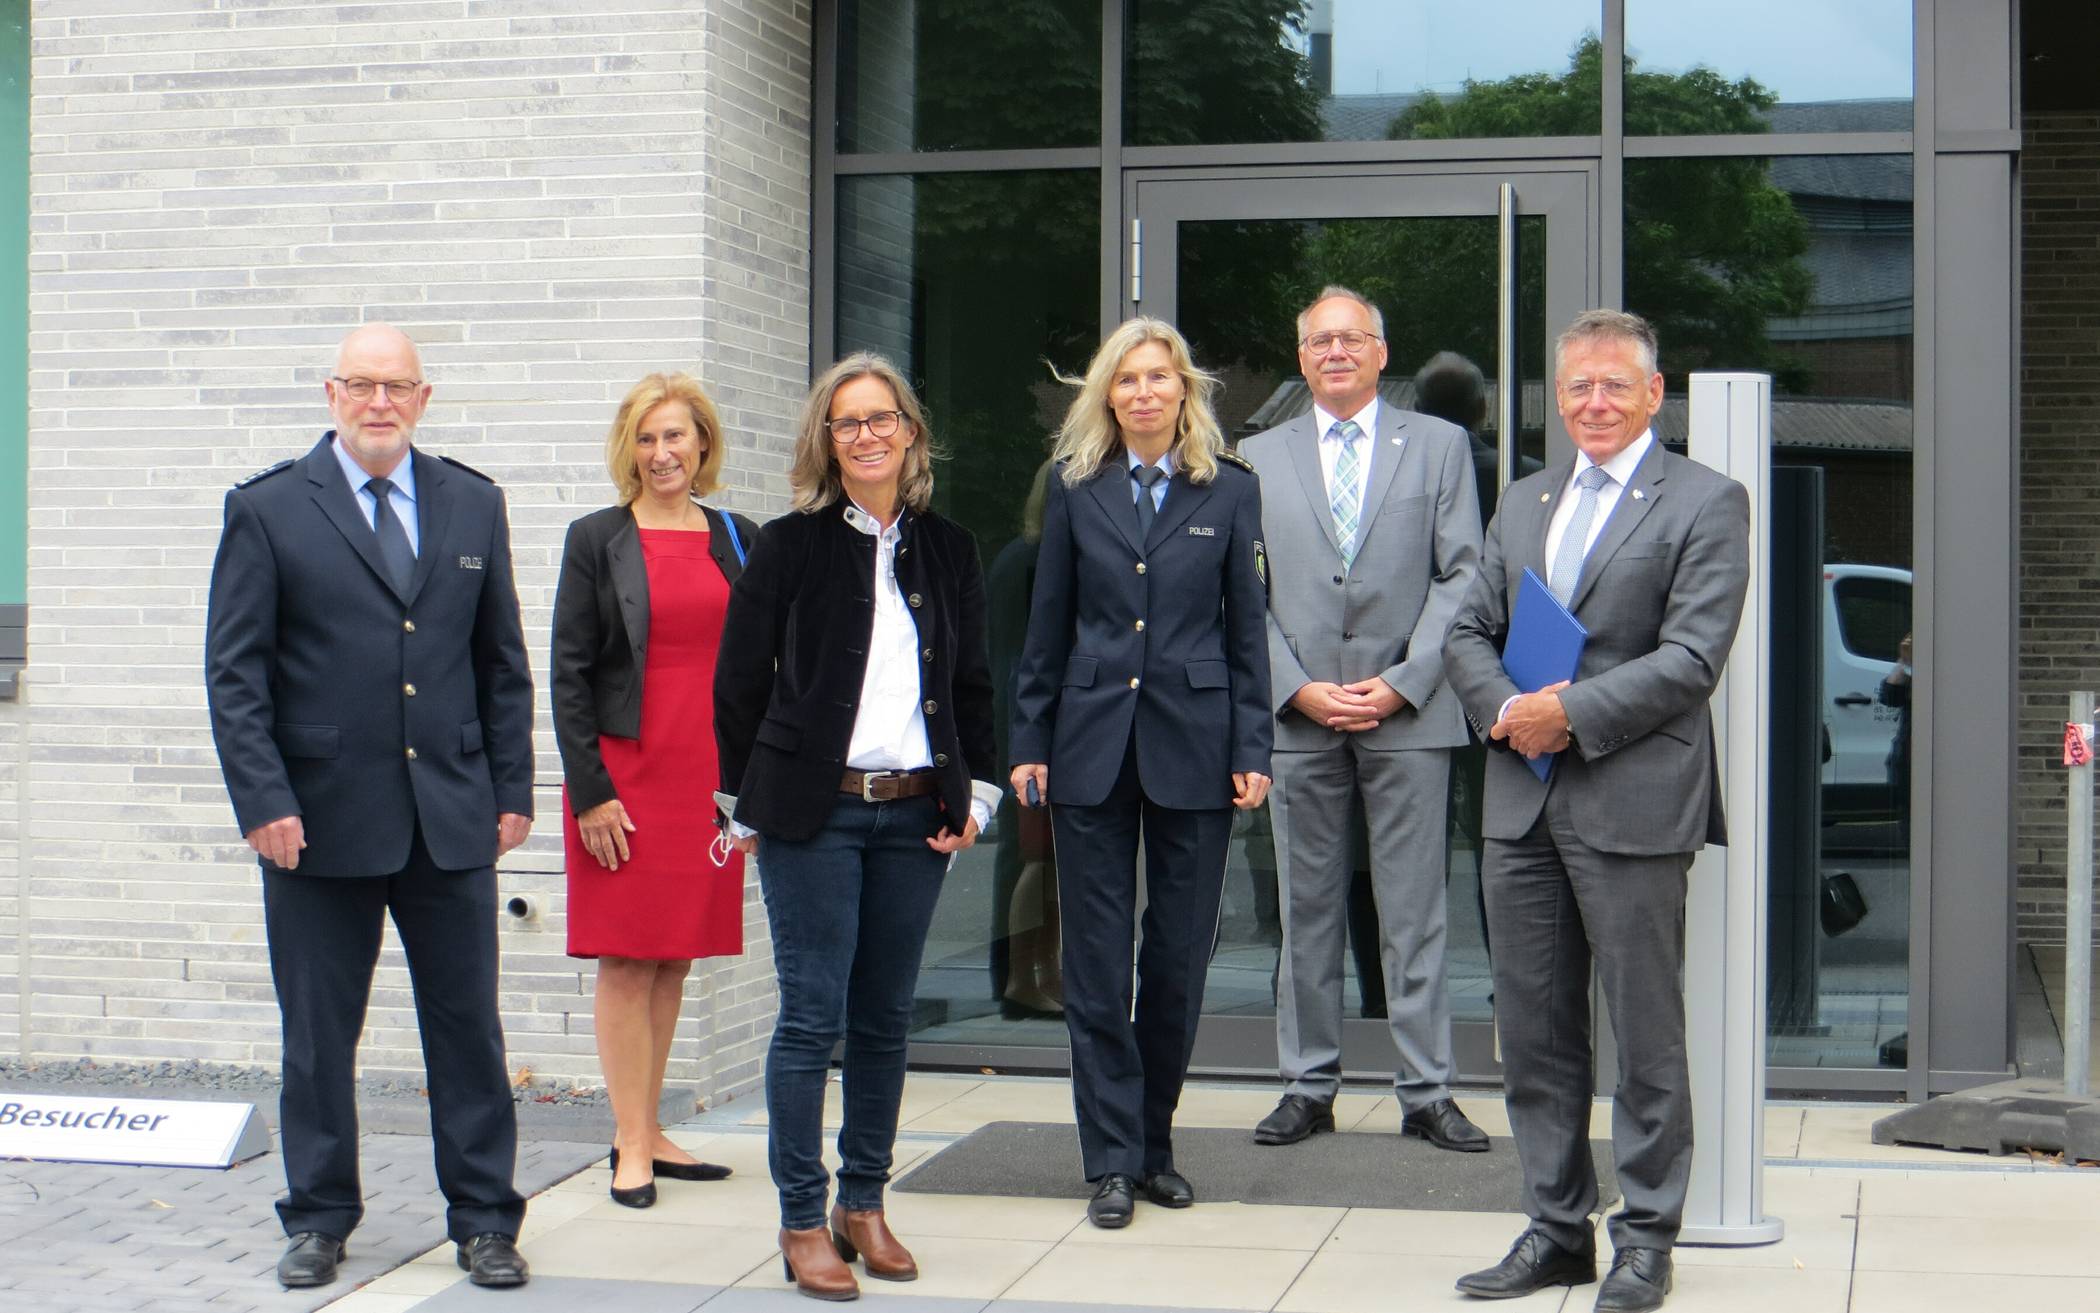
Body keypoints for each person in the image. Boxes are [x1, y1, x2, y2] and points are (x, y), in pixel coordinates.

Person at [205, 324, 535, 1291]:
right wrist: (263, 799)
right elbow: (236, 676)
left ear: (424, 398)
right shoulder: (268, 509)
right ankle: (317, 1215)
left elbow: (501, 665)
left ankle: (484, 1218)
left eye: (397, 385)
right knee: (317, 1034)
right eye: (361, 384)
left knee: (468, 1028)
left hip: (451, 816)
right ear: (331, 392)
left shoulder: (473, 503)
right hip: (315, 821)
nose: (379, 401)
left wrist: (511, 788)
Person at [1444, 310, 1750, 1312]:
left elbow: (1692, 657)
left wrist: (1564, 714)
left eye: (1616, 385)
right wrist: (1507, 711)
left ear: (1655, 394)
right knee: (1533, 1031)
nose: (1595, 403)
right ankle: (1556, 1226)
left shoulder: (1706, 500)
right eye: (1578, 387)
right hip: (1520, 803)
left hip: (1632, 798)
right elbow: (1470, 628)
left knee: (1646, 1035)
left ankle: (1649, 1237)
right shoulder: (1527, 498)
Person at [715, 352, 997, 1301]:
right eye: (848, 423)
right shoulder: (788, 548)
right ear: (825, 442)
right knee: (810, 1017)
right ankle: (803, 1215)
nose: (868, 434)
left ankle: (864, 1202)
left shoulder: (950, 548)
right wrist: (739, 802)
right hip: (813, 813)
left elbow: (972, 687)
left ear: (911, 431)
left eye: (883, 418)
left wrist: (975, 795)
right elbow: (738, 685)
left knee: (883, 1020)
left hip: (915, 811)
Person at [1010, 318, 1273, 1230]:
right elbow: (1047, 623)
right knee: (1093, 963)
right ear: (1108, 394)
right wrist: (1029, 737)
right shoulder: (1076, 489)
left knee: (1174, 963)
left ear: (1185, 391)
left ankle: (1154, 1142)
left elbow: (1248, 632)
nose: (1146, 392)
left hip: (1197, 747)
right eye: (1129, 379)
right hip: (1089, 743)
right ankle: (1110, 1160)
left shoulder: (1229, 491)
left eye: (1161, 377)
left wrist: (1254, 749)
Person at [1239, 288, 1487, 1154]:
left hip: (1409, 716)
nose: (1336, 351)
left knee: (1414, 912)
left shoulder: (1443, 447)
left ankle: (1427, 1092)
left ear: (1384, 353)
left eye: (1352, 338)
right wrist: (1295, 687)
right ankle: (1307, 1085)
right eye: (1319, 340)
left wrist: (1404, 680)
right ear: (1301, 357)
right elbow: (1242, 592)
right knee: (1305, 911)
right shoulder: (1255, 455)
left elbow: (1464, 576)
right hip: (1299, 718)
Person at [550, 372, 759, 1208]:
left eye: (676, 435)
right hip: (624, 777)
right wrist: (590, 792)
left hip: (707, 780)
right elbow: (567, 674)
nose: (662, 452)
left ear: (703, 444)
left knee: (674, 958)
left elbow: (761, 663)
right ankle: (629, 1142)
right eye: (646, 437)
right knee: (627, 958)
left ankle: (650, 1127)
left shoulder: (739, 537)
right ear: (628, 448)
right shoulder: (596, 538)